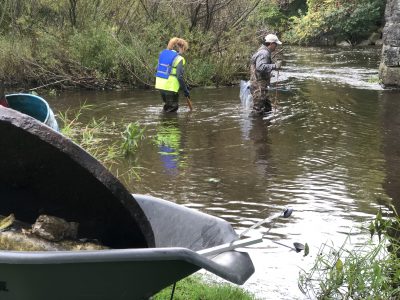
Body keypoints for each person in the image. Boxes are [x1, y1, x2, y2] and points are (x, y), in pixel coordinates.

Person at [249, 34, 282, 116]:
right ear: (271, 44)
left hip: (258, 85)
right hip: (258, 86)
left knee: (268, 108)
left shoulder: (262, 51)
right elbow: (260, 67)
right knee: (257, 110)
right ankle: (256, 127)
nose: (276, 46)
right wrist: (275, 66)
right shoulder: (264, 53)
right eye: (276, 44)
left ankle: (264, 126)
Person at [155, 37, 190, 112]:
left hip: (160, 85)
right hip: (170, 87)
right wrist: (185, 90)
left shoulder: (163, 54)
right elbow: (179, 76)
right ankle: (170, 123)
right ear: (182, 48)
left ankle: (163, 121)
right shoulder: (179, 59)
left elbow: (156, 69)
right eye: (185, 50)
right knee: (173, 108)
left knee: (167, 106)